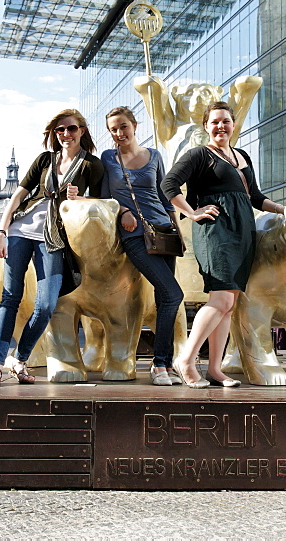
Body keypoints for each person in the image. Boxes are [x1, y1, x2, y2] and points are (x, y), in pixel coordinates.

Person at [161, 101, 285, 388]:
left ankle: (215, 370)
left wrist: (284, 209)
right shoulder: (199, 155)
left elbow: (254, 196)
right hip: (216, 232)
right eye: (215, 121)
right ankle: (186, 359)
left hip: (242, 232)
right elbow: (168, 185)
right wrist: (192, 212)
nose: (221, 126)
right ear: (206, 126)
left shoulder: (241, 156)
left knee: (229, 304)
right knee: (221, 299)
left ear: (233, 125)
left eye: (226, 121)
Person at [0, 109, 103, 386]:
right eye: (59, 130)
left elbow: (98, 205)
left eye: (71, 129)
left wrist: (80, 198)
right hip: (20, 230)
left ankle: (19, 358)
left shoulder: (91, 165)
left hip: (54, 238)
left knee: (46, 304)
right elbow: (19, 195)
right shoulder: (45, 159)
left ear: (82, 131)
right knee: (10, 297)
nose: (65, 134)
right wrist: (1, 231)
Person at [101, 106, 186, 386]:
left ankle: (166, 365)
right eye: (113, 129)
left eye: (123, 126)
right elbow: (104, 198)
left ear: (134, 125)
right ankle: (159, 363)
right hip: (134, 235)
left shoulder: (154, 155)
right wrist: (123, 210)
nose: (119, 133)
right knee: (174, 294)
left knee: (165, 300)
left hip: (163, 230)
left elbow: (164, 195)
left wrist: (178, 227)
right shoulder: (108, 158)